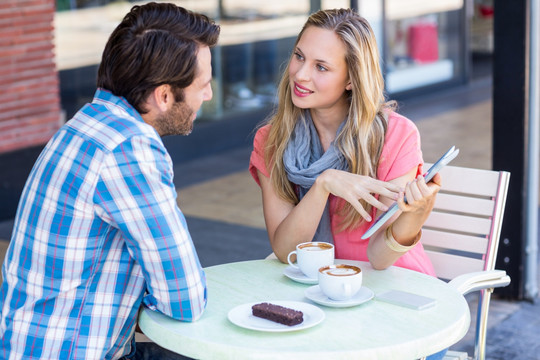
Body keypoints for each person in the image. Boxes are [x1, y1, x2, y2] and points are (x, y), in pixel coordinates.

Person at [0, 3, 219, 359]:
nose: (208, 95)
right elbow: (185, 298)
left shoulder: (87, 123)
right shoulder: (128, 149)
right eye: (204, 85)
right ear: (164, 96)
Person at [250, 9, 442, 277]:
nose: (300, 74)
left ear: (351, 79)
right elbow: (286, 251)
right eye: (299, 56)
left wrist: (416, 215)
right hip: (319, 289)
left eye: (321, 67)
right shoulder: (272, 140)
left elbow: (379, 257)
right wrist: (322, 186)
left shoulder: (396, 136)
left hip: (393, 285)